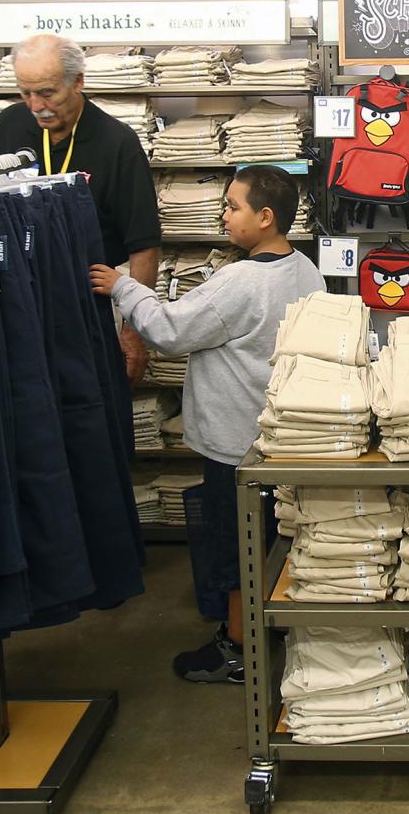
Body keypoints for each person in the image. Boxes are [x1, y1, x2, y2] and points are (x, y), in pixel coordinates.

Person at [90, 166, 324, 683]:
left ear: (264, 218)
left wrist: (125, 288)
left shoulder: (238, 281)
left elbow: (171, 331)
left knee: (233, 549)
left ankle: (239, 651)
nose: (223, 214)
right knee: (272, 540)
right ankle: (270, 627)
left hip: (235, 445)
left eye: (233, 206)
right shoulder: (305, 268)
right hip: (282, 435)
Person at [0, 33, 161, 381]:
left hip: (93, 296)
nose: (37, 105)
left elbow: (144, 246)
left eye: (48, 92)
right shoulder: (9, 126)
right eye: (26, 93)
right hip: (26, 293)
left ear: (78, 82)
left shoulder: (117, 143)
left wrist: (133, 330)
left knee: (94, 396)